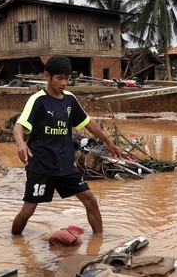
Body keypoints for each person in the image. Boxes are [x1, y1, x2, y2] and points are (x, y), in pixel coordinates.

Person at [12, 56, 121, 236]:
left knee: (90, 200)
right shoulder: (38, 100)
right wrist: (21, 143)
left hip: (65, 165)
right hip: (41, 165)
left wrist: (108, 142)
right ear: (47, 76)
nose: (64, 83)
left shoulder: (70, 100)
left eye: (67, 78)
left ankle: (99, 241)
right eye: (59, 78)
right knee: (28, 210)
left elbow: (87, 123)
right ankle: (15, 242)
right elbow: (19, 125)